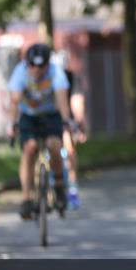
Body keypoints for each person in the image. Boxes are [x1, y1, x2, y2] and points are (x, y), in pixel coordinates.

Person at [8, 43, 78, 220]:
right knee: (29, 149)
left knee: (54, 146)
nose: (36, 70)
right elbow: (15, 102)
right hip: (29, 117)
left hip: (50, 115)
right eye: (32, 65)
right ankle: (26, 198)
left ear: (48, 64)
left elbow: (62, 99)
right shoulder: (20, 73)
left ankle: (59, 185)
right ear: (27, 63)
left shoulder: (56, 73)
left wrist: (66, 121)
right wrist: (12, 124)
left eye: (41, 66)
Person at [61, 67, 88, 207]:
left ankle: (72, 188)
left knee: (69, 150)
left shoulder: (70, 78)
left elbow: (78, 104)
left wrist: (80, 125)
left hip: (65, 120)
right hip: (47, 118)